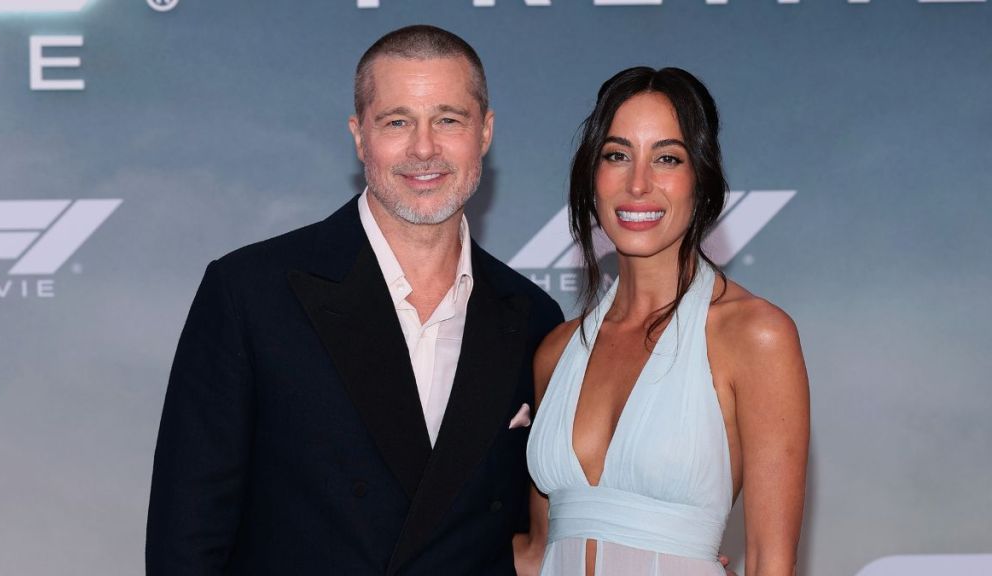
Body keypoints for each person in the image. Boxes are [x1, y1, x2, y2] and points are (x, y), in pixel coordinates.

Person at [145, 25, 563, 575]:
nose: (423, 148)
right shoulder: (251, 294)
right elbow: (186, 538)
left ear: (484, 133)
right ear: (359, 136)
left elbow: (545, 533)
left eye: (448, 119)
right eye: (396, 122)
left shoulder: (532, 318)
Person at [517, 67, 810, 576]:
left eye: (667, 158)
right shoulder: (556, 352)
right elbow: (535, 554)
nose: (638, 183)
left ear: (702, 179)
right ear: (592, 177)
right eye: (617, 155)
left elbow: (770, 561)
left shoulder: (754, 336)